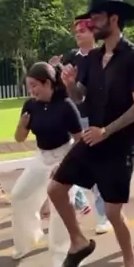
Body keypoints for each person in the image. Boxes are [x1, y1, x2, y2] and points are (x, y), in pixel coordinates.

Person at [47, 0, 134, 267]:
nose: (91, 23)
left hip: (119, 144)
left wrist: (106, 130)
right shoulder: (92, 59)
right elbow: (81, 98)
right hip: (93, 139)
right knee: (55, 188)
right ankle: (79, 242)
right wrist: (69, 85)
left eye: (96, 18)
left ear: (114, 19)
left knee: (114, 212)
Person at [11, 62, 84, 267]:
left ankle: (62, 255)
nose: (31, 91)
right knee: (19, 196)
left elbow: (80, 140)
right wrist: (22, 125)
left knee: (59, 207)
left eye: (34, 85)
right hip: (41, 157)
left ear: (47, 83)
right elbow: (19, 138)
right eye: (29, 86)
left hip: (64, 156)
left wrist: (64, 163)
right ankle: (28, 239)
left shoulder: (66, 105)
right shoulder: (30, 105)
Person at [52, 15, 112, 235]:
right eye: (76, 32)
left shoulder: (101, 58)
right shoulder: (71, 57)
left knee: (95, 166)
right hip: (70, 117)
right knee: (63, 163)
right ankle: (79, 202)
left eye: (83, 31)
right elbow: (62, 88)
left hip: (91, 119)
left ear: (93, 33)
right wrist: (55, 71)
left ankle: (104, 215)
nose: (78, 34)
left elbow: (88, 92)